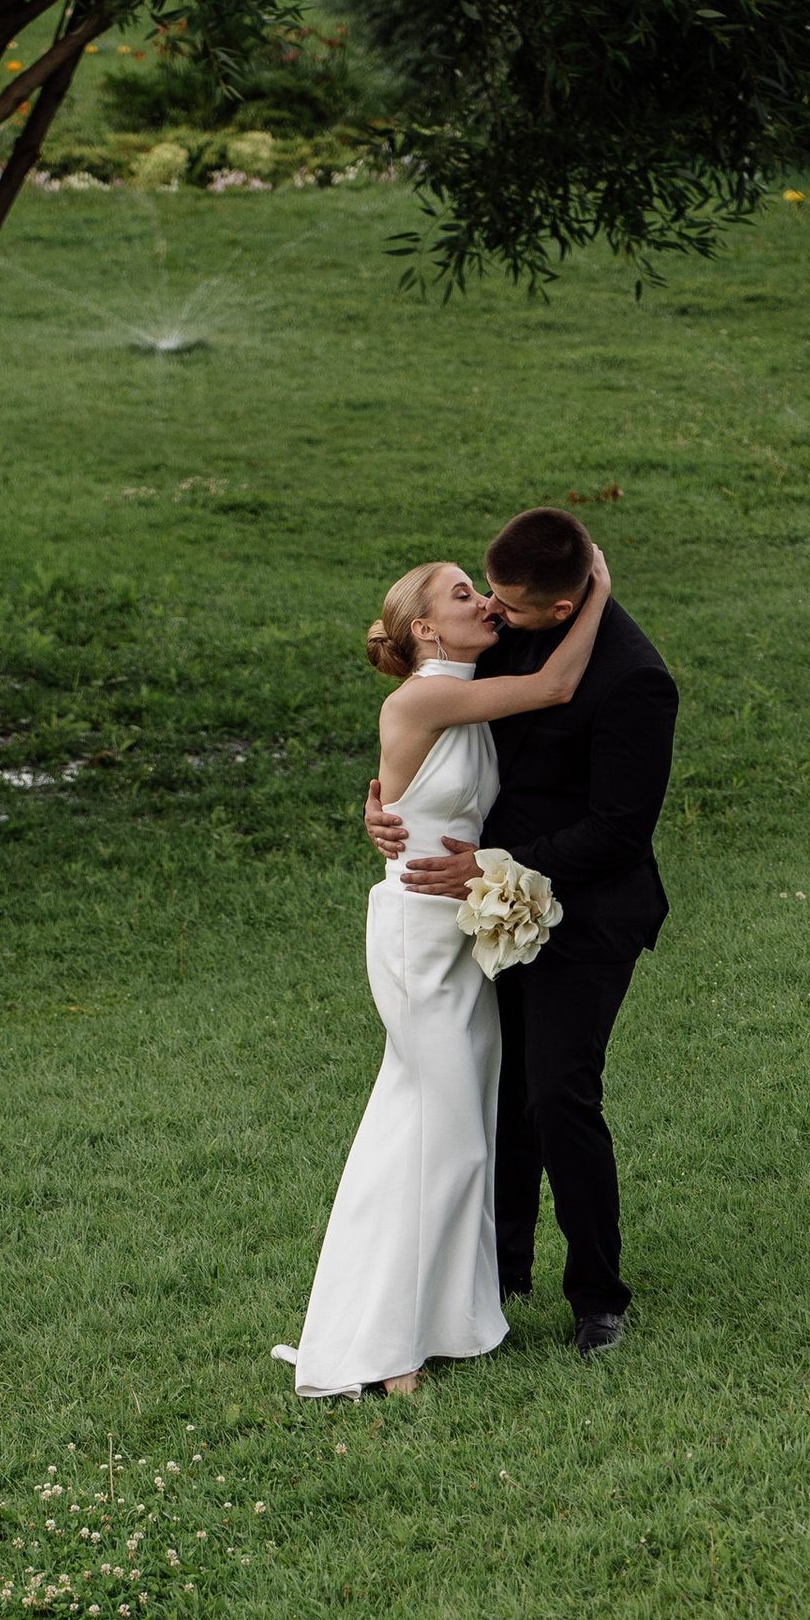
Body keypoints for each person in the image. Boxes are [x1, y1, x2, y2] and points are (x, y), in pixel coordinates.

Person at [276, 553, 607, 1401]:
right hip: (418, 941)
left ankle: (438, 1319)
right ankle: (388, 1349)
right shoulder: (424, 694)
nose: (484, 602)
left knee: (441, 1128)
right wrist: (596, 589)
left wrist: (382, 802)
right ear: (425, 628)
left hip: (461, 939)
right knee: (448, 1130)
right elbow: (557, 687)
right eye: (463, 594)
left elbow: (416, 786)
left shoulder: (464, 685)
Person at [365, 506, 678, 1360]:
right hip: (481, 907)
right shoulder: (505, 628)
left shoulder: (635, 680)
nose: (494, 612)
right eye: (485, 595)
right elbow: (436, 718)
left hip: (587, 910)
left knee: (557, 1094)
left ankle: (599, 1296)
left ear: (566, 610)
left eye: (508, 601)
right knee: (496, 1094)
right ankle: (497, 1273)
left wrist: (490, 865)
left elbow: (619, 830)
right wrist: (387, 804)